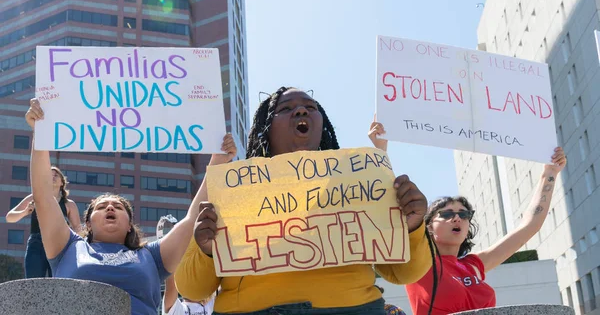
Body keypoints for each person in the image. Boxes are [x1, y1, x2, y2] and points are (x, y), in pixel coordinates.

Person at [175, 87, 434, 315]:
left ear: (322, 123)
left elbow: (405, 273)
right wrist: (207, 250)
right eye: (286, 108)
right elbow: (191, 288)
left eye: (311, 107)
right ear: (266, 127)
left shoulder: (360, 184)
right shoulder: (232, 189)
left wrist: (411, 226)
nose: (301, 111)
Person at [25, 98, 237, 315]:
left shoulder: (153, 256)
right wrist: (40, 135)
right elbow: (43, 196)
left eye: (118, 207)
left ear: (129, 225)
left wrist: (218, 162)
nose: (110, 208)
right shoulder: (66, 247)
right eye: (102, 207)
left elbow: (193, 218)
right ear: (88, 223)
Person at [368, 120, 567, 314]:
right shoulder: (419, 263)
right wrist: (380, 149)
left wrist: (549, 173)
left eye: (464, 214)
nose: (457, 219)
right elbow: (389, 205)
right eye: (446, 214)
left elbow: (529, 227)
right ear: (428, 226)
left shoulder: (473, 265)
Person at [5, 166, 81, 278]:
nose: (52, 177)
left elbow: (78, 229)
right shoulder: (34, 197)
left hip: (60, 244)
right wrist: (25, 212)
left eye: (56, 175)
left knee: (57, 282)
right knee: (33, 281)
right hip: (36, 243)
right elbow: (9, 217)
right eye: (49, 175)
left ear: (62, 182)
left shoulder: (69, 204)